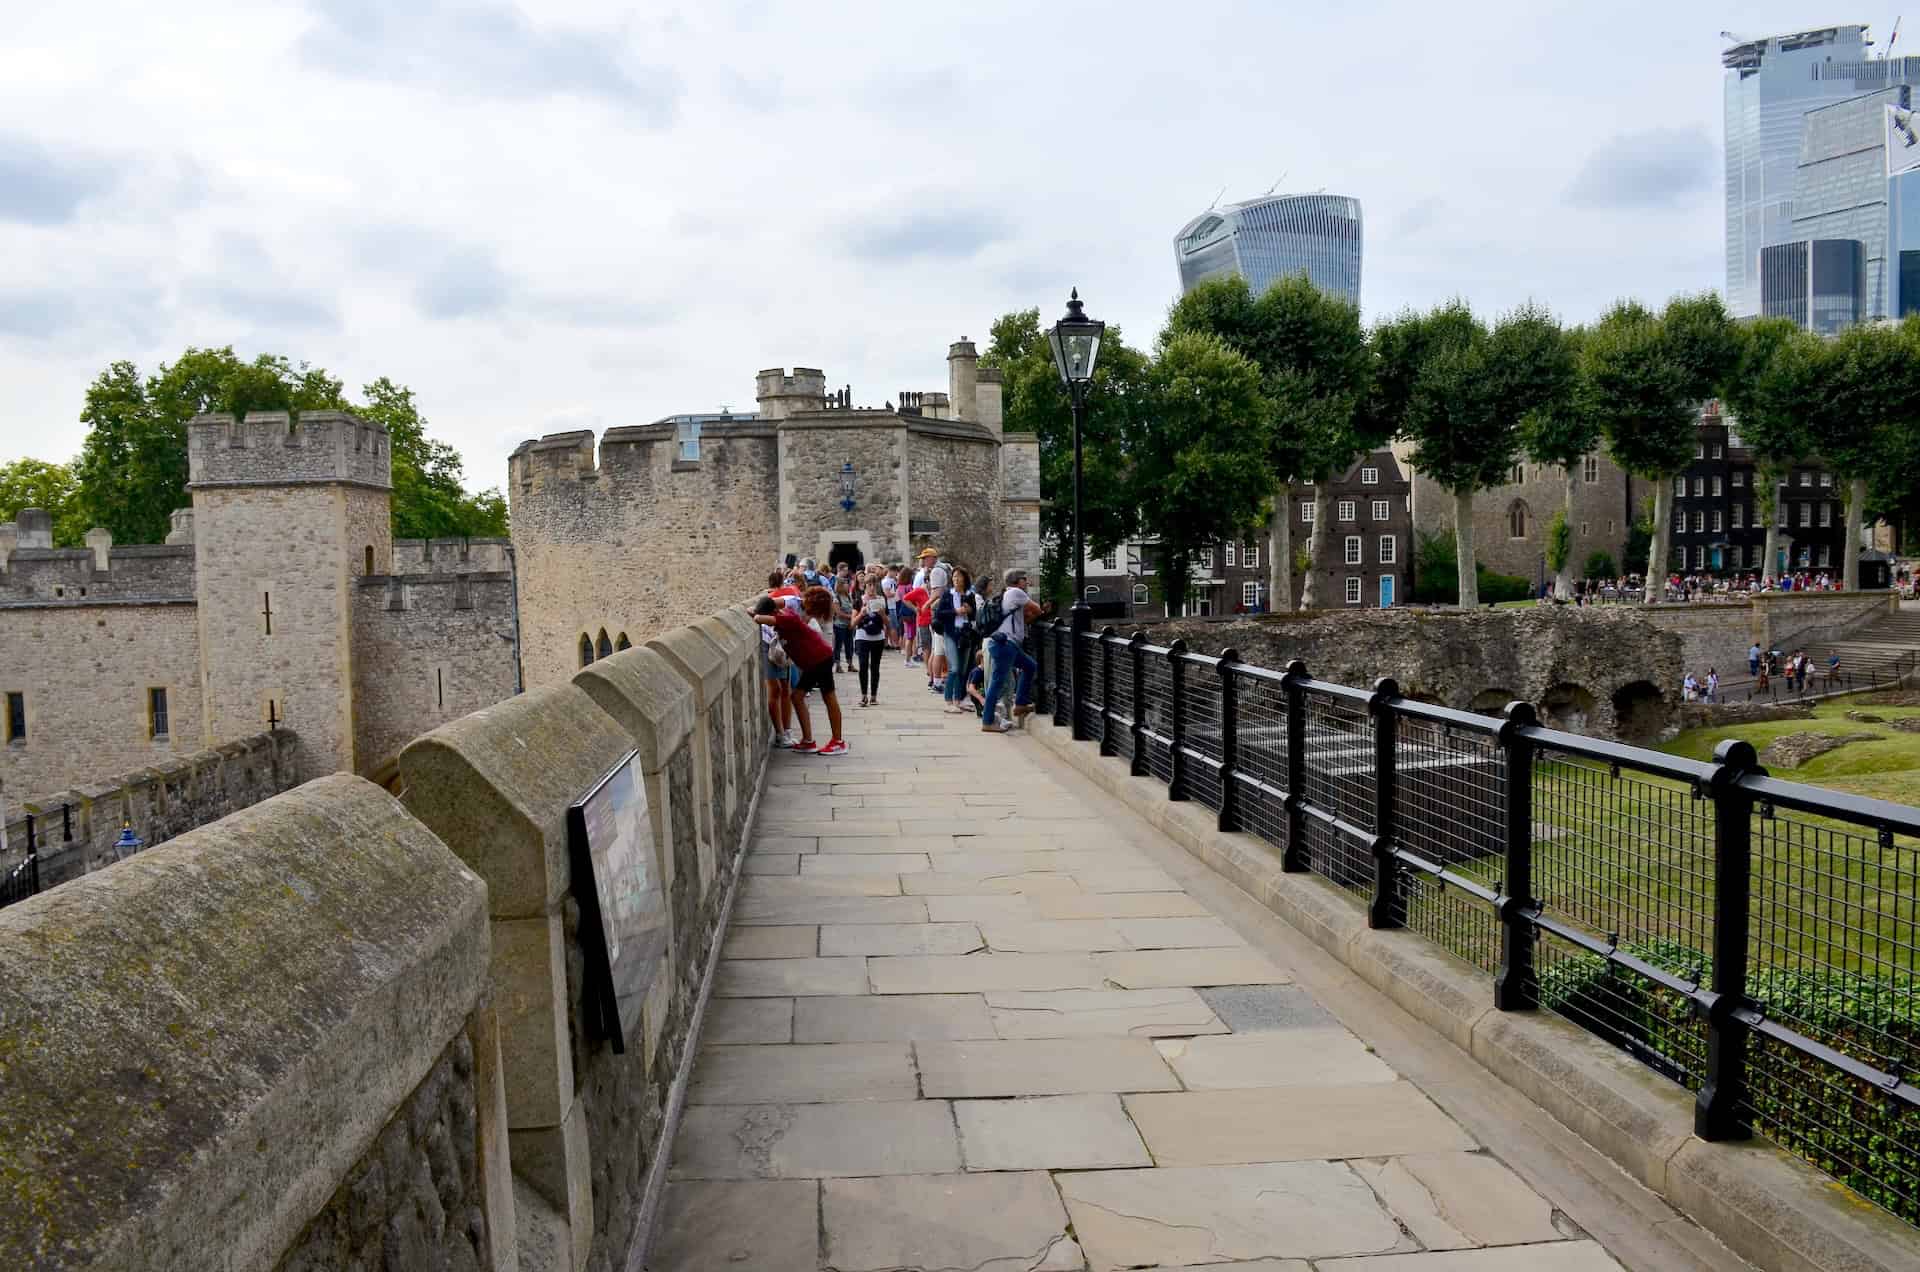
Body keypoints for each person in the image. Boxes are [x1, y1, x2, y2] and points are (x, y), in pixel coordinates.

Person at [752, 590, 847, 755]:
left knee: (828, 697)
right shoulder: (787, 611)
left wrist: (755, 611)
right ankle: (808, 741)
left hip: (819, 659)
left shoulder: (786, 618)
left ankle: (837, 742)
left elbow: (759, 618)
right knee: (797, 696)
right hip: (815, 660)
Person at [981, 567, 1047, 733]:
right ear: (1017, 581)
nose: (1027, 582)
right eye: (1024, 579)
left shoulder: (1007, 594)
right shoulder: (1017, 593)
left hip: (1006, 644)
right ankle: (987, 721)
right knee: (996, 683)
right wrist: (1041, 611)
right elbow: (1037, 609)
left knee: (1029, 665)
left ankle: (1020, 704)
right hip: (1006, 644)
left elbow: (1022, 617)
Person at [853, 582, 888, 706]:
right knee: (863, 666)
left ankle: (873, 696)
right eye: (869, 585)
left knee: (875, 667)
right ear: (864, 587)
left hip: (877, 637)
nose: (872, 588)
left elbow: (887, 623)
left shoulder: (881, 600)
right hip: (862, 637)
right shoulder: (859, 601)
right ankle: (863, 696)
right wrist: (861, 614)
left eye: (874, 585)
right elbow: (852, 624)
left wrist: (882, 614)